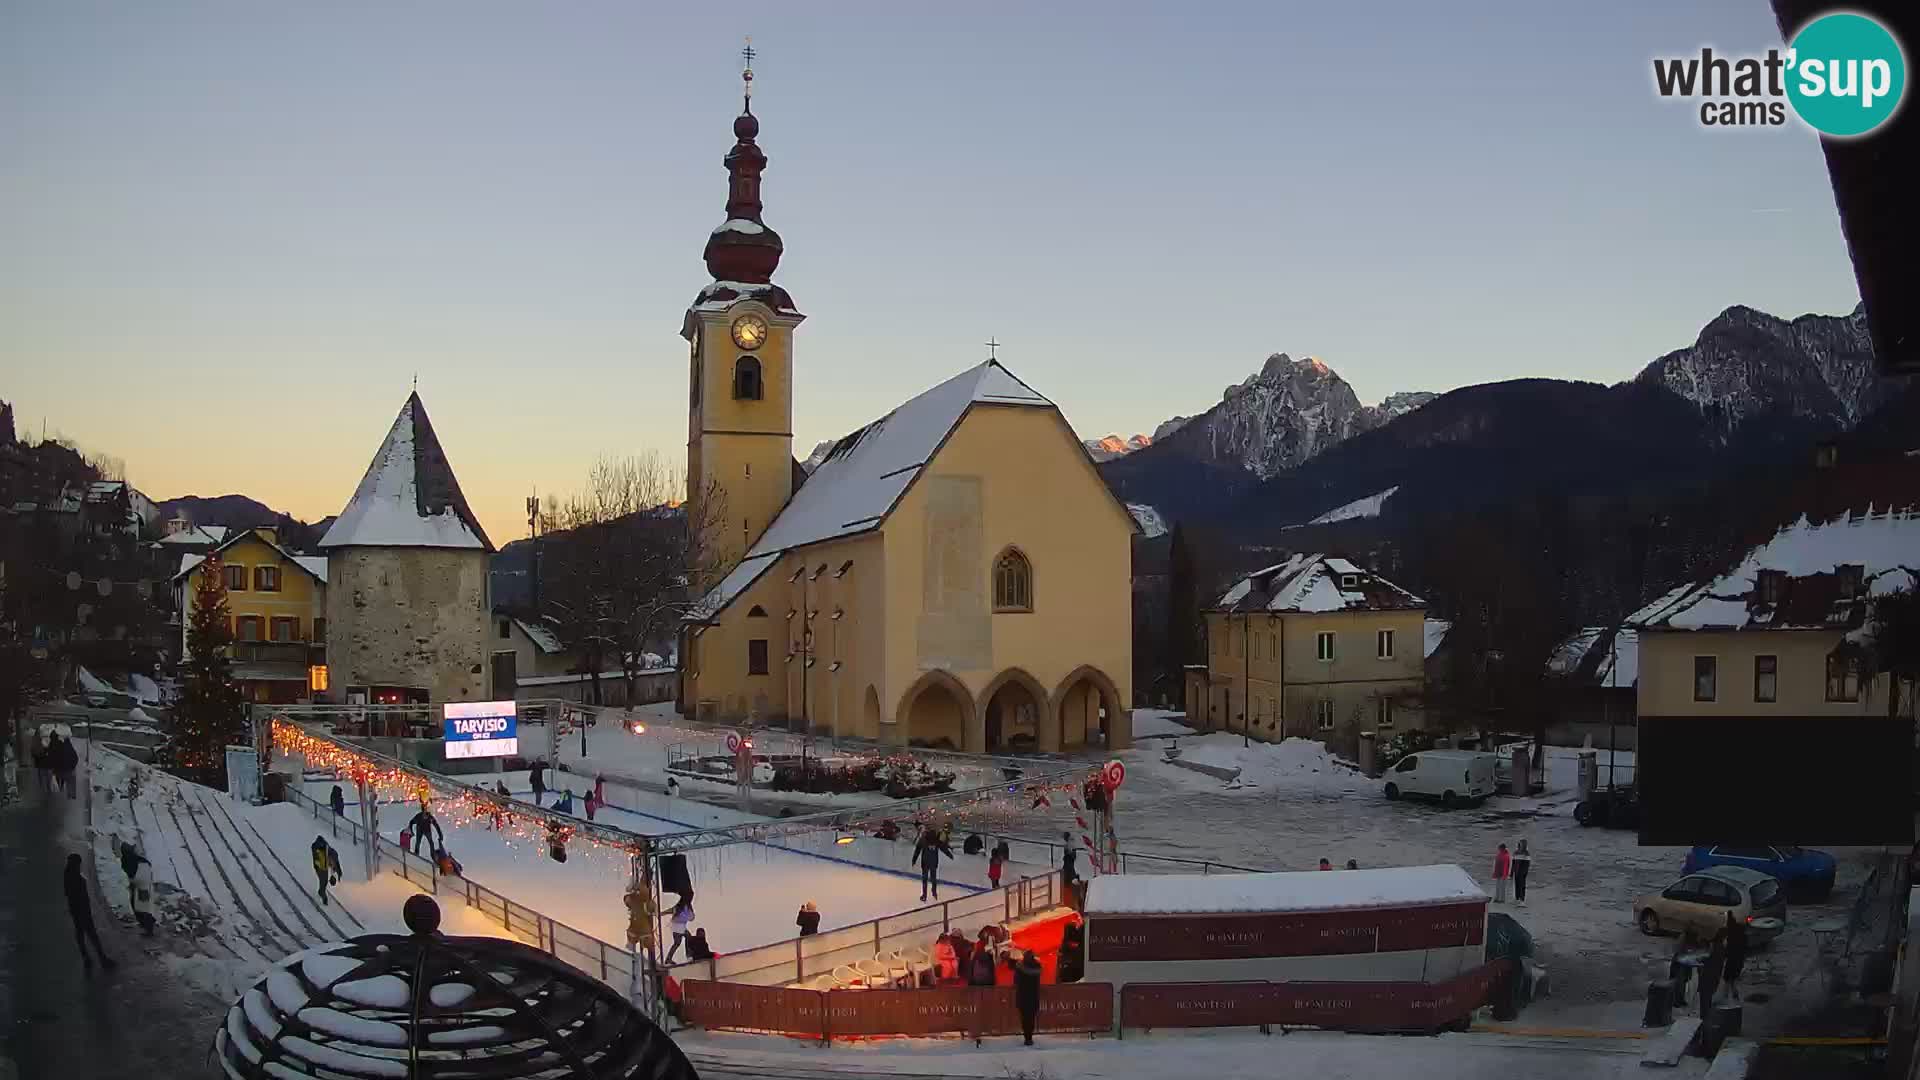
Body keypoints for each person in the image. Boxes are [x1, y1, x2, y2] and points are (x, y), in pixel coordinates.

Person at [64, 853, 116, 969]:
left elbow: (68, 894)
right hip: (82, 910)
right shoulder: (75, 878)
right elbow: (79, 896)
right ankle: (102, 959)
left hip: (76, 910)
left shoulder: (68, 874)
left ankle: (87, 957)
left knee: (81, 934)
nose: (80, 866)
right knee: (92, 935)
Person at [912, 826, 954, 902]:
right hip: (933, 862)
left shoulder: (923, 840)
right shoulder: (936, 840)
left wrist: (914, 860)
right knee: (933, 878)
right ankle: (934, 892)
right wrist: (950, 855)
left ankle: (924, 895)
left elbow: (917, 851)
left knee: (925, 879)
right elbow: (943, 848)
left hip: (925, 862)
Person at [123, 843, 157, 936]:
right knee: (141, 907)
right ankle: (149, 923)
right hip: (144, 885)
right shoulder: (140, 860)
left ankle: (149, 929)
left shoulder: (129, 860)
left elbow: (133, 876)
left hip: (141, 886)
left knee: (141, 908)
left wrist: (131, 881)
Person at [1014, 949, 1043, 1045]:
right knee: (1031, 1018)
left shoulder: (1020, 967)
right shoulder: (1037, 967)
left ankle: (1027, 1037)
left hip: (1023, 996)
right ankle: (1029, 1036)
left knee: (1024, 1018)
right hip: (1033, 996)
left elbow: (1016, 981)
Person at [1723, 911, 1749, 1001]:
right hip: (1738, 955)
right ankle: (1732, 992)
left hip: (1732, 955)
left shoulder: (1729, 929)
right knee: (1733, 976)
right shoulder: (1740, 929)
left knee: (1728, 976)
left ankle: (1727, 994)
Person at [312, 835, 341, 906]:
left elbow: (335, 865)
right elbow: (316, 858)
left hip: (324, 868)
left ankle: (320, 891)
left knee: (324, 882)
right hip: (319, 868)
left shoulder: (329, 850)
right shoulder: (316, 848)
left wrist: (336, 874)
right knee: (323, 881)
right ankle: (323, 896)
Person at [665, 895, 695, 963]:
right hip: (677, 926)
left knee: (679, 942)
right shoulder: (680, 907)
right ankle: (688, 956)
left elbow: (692, 917)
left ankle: (668, 959)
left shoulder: (687, 907)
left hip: (681, 926)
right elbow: (671, 910)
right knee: (681, 940)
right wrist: (661, 913)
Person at [1512, 839, 1532, 904]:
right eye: (1519, 844)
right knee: (1516, 885)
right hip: (1516, 872)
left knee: (1522, 886)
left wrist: (1524, 873)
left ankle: (1522, 900)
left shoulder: (1526, 854)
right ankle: (1517, 898)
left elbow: (1527, 865)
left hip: (1522, 873)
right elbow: (1513, 863)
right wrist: (1511, 873)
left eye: (1521, 844)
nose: (1520, 845)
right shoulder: (1516, 852)